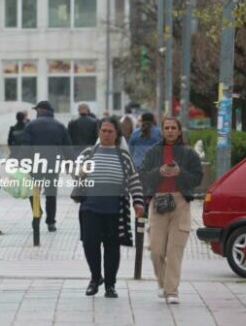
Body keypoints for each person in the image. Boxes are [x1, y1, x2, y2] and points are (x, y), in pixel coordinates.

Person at [76, 117, 145, 298]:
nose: (106, 134)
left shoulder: (124, 156)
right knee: (90, 244)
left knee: (112, 248)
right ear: (99, 132)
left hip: (115, 211)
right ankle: (95, 278)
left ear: (116, 134)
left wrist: (138, 202)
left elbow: (134, 180)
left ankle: (110, 285)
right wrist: (79, 172)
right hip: (90, 208)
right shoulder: (88, 153)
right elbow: (75, 174)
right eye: (103, 131)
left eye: (110, 131)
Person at [140, 117, 202, 304]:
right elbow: (143, 176)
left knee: (174, 251)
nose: (170, 131)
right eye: (166, 128)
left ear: (179, 131)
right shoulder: (152, 152)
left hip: (180, 202)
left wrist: (180, 173)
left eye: (173, 128)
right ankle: (163, 283)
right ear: (162, 131)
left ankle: (172, 291)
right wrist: (158, 172)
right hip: (158, 202)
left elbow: (197, 178)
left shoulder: (189, 153)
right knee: (156, 250)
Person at [22, 100, 72, 232]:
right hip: (53, 164)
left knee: (34, 191)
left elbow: (25, 147)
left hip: (35, 164)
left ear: (41, 110)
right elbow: (67, 146)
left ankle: (37, 214)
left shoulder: (31, 125)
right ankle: (51, 222)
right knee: (51, 193)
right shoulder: (60, 126)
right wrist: (70, 163)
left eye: (36, 110)